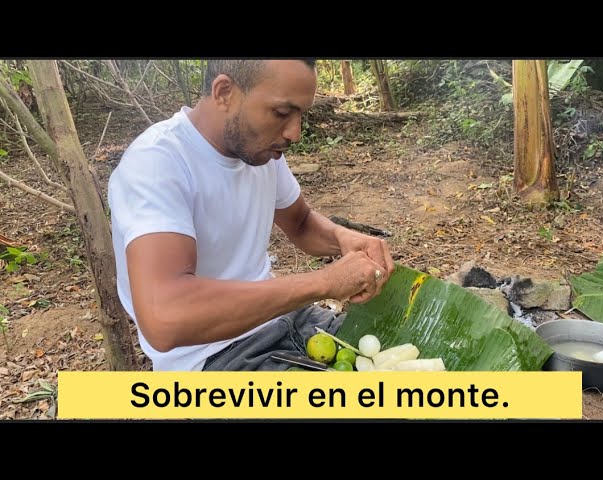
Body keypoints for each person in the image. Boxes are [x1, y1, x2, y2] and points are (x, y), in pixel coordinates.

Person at [107, 59, 394, 372]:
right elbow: (165, 316)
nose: (294, 133)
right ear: (224, 92)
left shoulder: (258, 150)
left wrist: (344, 239)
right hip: (215, 358)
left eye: (301, 114)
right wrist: (324, 281)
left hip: (288, 320)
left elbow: (300, 223)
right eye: (282, 113)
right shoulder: (157, 164)